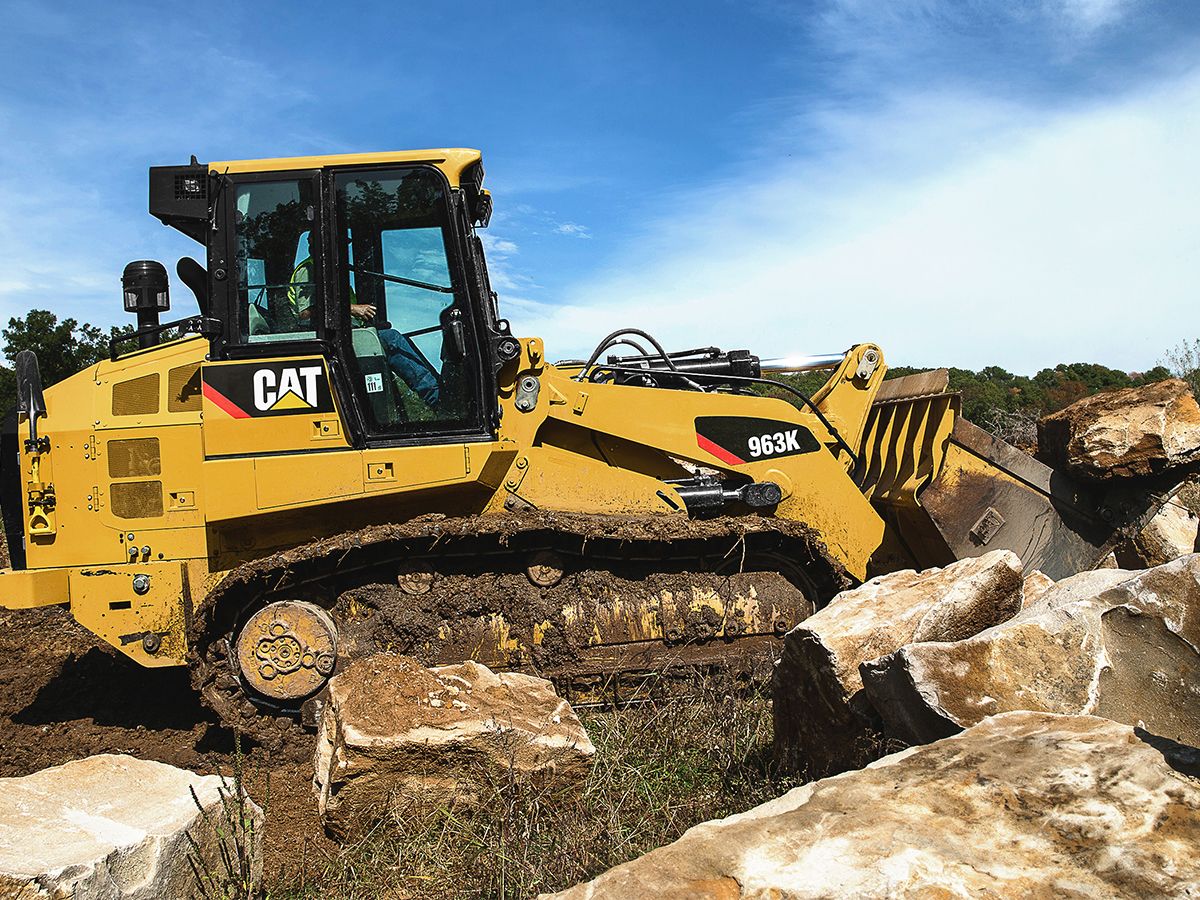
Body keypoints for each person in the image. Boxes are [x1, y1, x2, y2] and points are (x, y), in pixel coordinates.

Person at [288, 256, 441, 407]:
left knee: (393, 338)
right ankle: (437, 398)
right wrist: (353, 309)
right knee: (392, 339)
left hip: (344, 333)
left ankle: (437, 388)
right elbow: (305, 313)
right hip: (325, 338)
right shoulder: (309, 270)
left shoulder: (328, 272)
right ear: (312, 241)